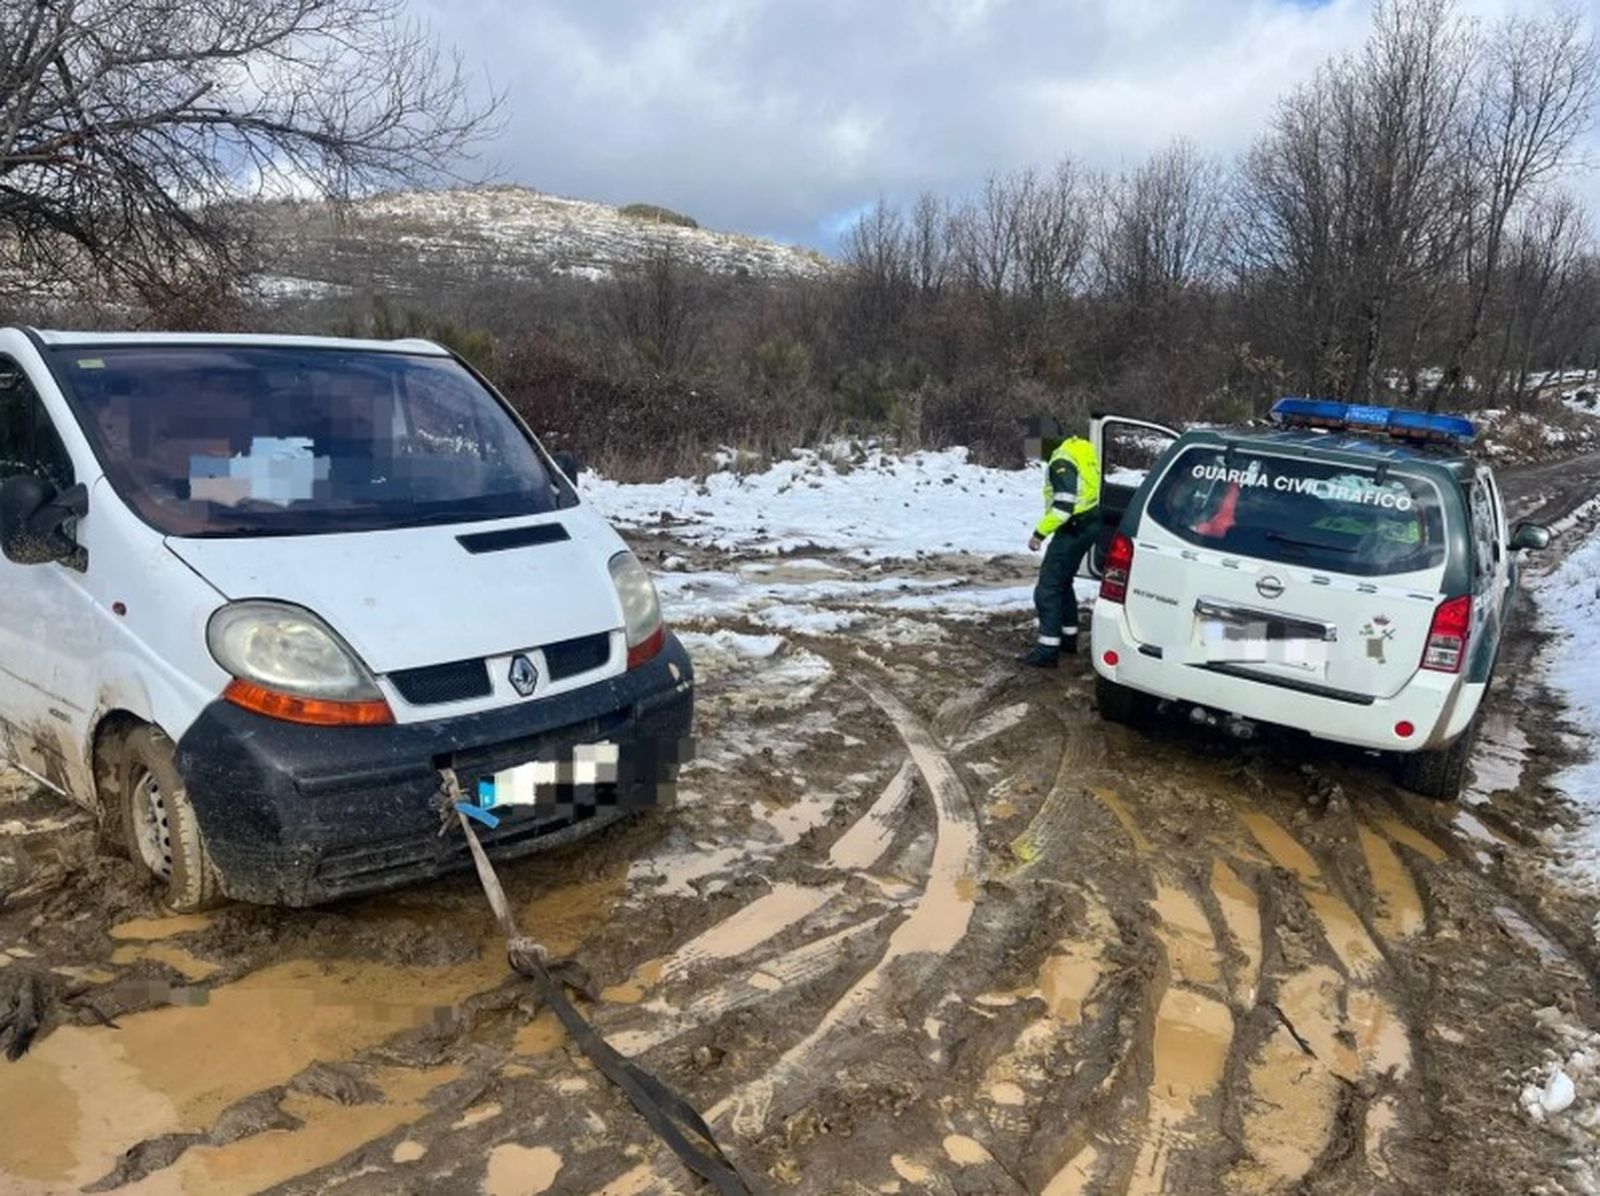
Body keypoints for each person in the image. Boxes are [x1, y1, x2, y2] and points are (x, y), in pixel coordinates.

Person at [1019, 417, 1102, 668]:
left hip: (1073, 528)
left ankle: (1047, 649)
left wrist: (1039, 534)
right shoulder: (1081, 448)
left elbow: (1063, 508)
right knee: (1063, 583)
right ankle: (1068, 638)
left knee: (1047, 589)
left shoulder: (1061, 461)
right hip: (1089, 524)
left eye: (1035, 444)